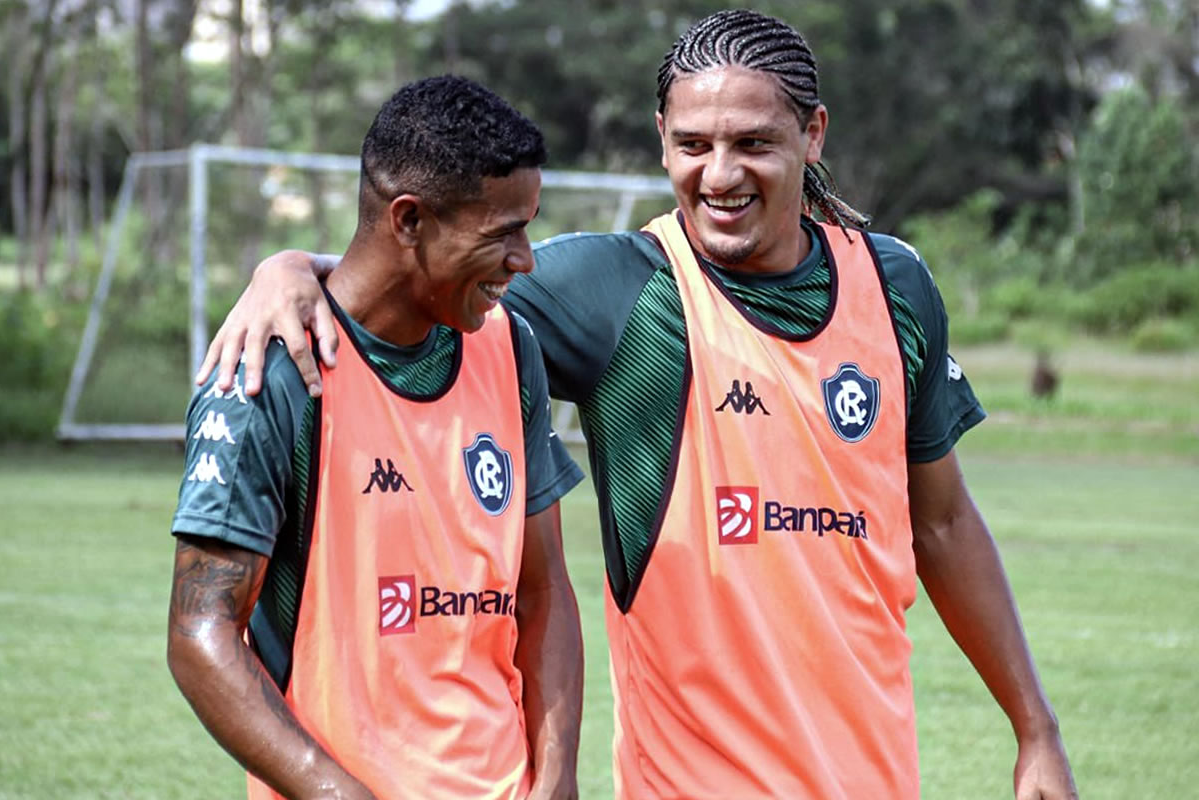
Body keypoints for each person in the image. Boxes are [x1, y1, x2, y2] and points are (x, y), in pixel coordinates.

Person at [198, 10, 1078, 800]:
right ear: (661, 140)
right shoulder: (616, 291)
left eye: (753, 143)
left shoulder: (894, 287)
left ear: (813, 135)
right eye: (693, 143)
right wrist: (291, 269)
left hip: (877, 776)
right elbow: (419, 276)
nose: (720, 173)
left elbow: (944, 524)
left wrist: (1034, 727)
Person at [167, 75, 586, 800]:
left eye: (528, 226)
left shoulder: (509, 347)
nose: (525, 258)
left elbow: (541, 589)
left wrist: (556, 779)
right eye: (501, 233)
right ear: (409, 220)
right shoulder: (271, 374)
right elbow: (201, 636)